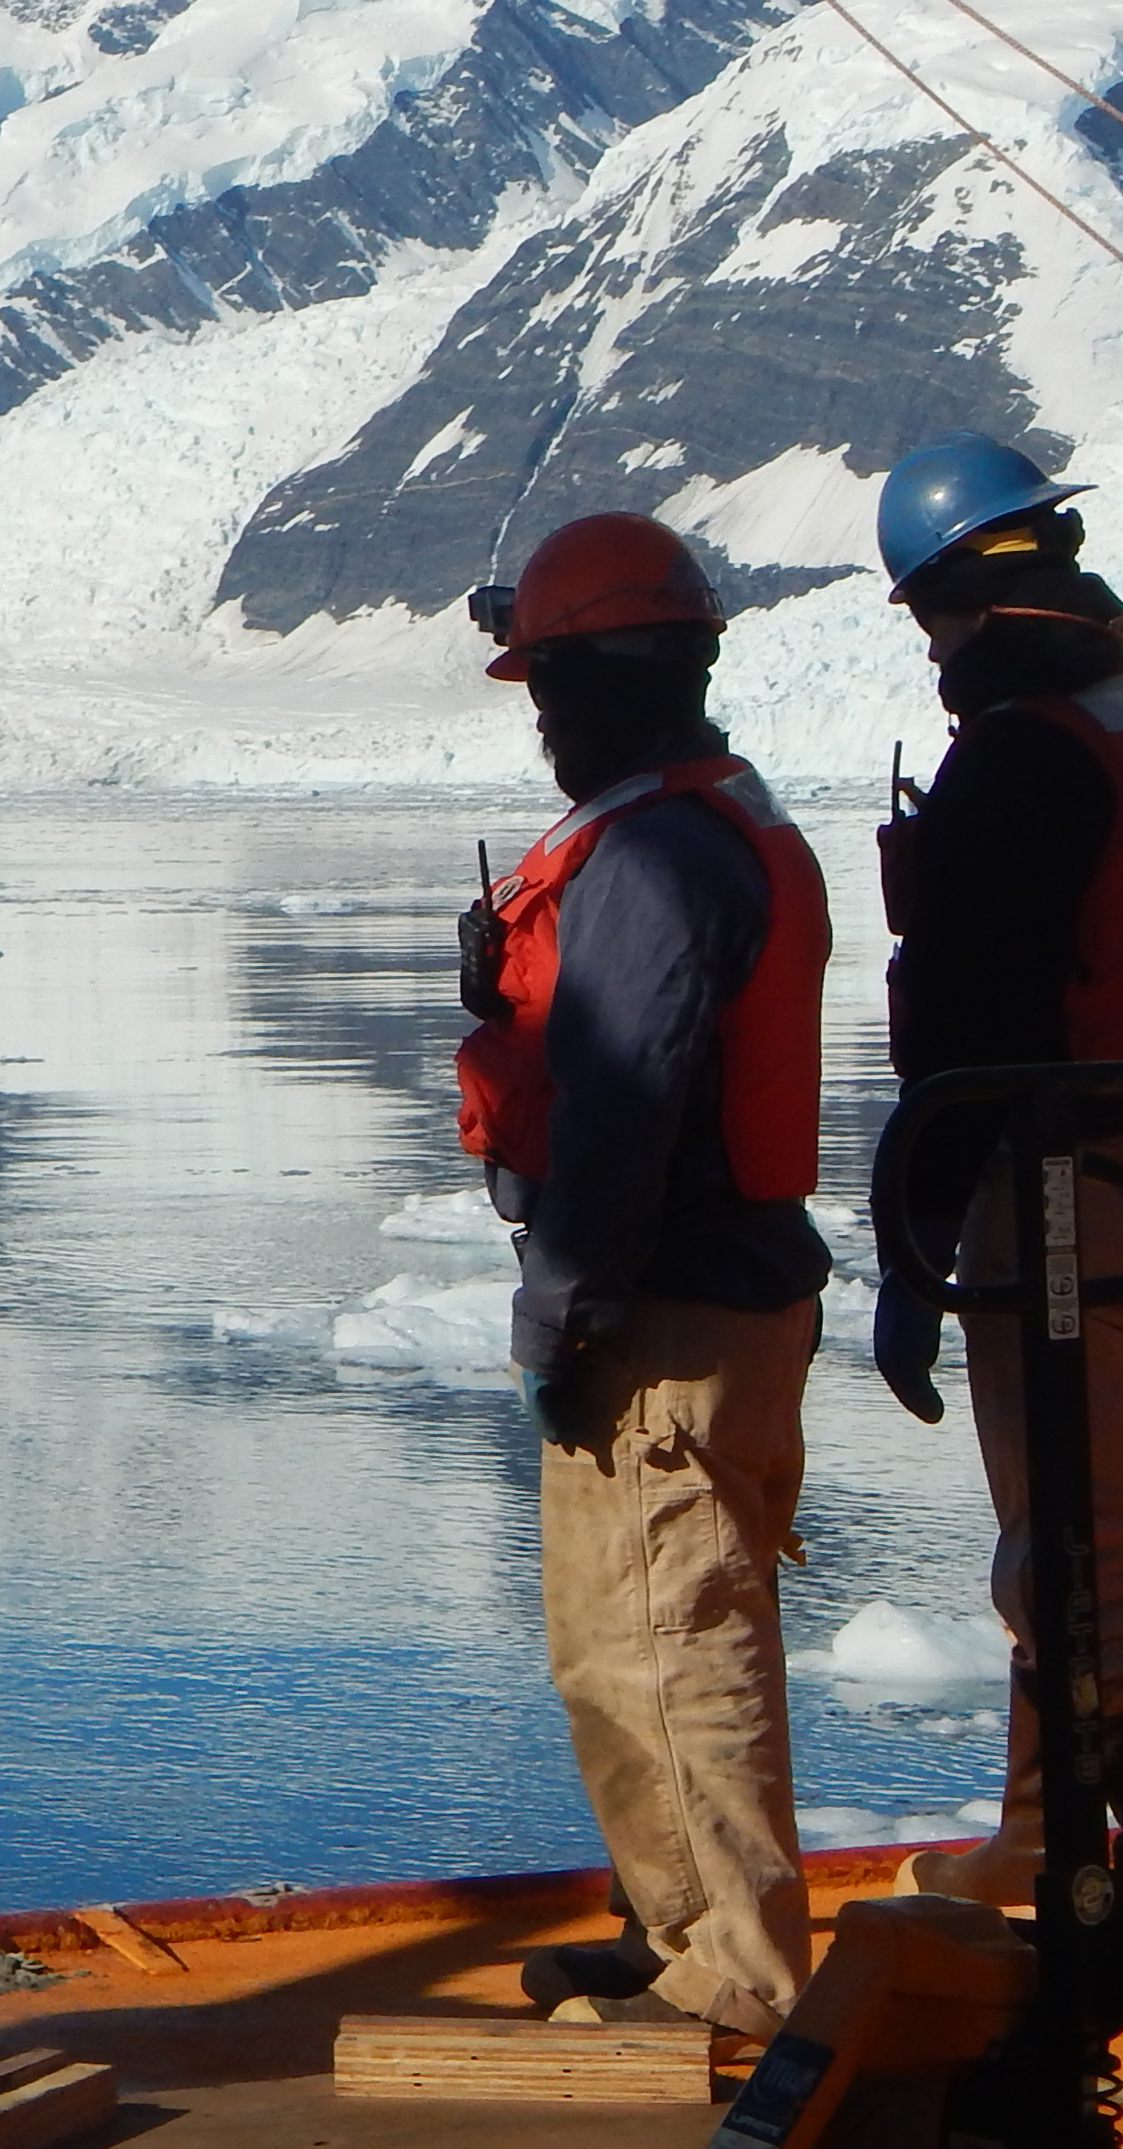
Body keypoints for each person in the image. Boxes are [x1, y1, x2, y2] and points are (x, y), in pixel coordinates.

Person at [865, 434, 1123, 1995]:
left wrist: (914, 1237)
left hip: (1061, 1190)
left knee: (1085, 1546)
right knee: (1085, 1524)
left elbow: (965, 1029)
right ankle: (1048, 1831)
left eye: (929, 624)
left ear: (959, 602)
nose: (934, 655)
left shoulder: (1026, 752)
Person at [453, 512, 833, 2039]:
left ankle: (734, 1977)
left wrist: (563, 1304)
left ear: (616, 676)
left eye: (551, 683)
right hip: (713, 1295)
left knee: (674, 1645)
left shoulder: (654, 860)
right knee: (634, 1640)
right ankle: (672, 1927)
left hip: (667, 1319)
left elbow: (622, 1105)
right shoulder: (699, 824)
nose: (542, 716)